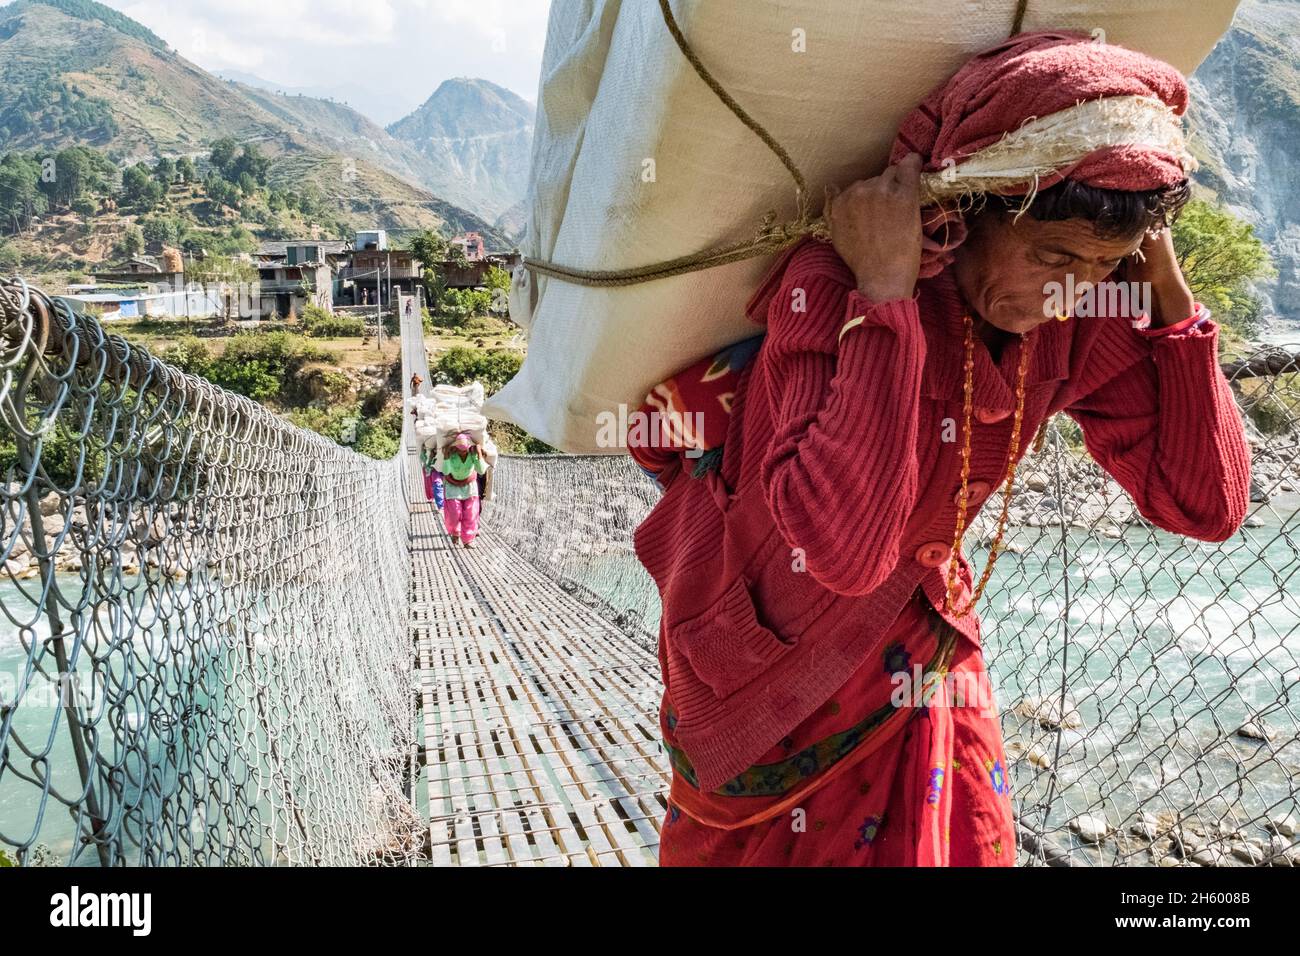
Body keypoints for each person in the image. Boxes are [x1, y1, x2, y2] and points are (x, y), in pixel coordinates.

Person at [630, 31, 1251, 867]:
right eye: (1051, 255)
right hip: (764, 675)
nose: (1066, 289)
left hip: (922, 645)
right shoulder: (829, 285)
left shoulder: (1070, 319)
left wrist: (1171, 301)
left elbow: (1206, 506)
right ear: (967, 212)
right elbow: (841, 551)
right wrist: (884, 294)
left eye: (1106, 263)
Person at [437, 432, 488, 548]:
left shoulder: (473, 454)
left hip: (470, 487)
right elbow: (445, 472)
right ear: (455, 447)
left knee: (471, 513)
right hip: (452, 486)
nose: (462, 452)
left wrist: (479, 454)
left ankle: (468, 540)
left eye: (465, 449)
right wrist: (446, 457)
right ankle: (455, 532)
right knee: (454, 514)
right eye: (460, 449)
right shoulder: (451, 455)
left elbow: (481, 470)